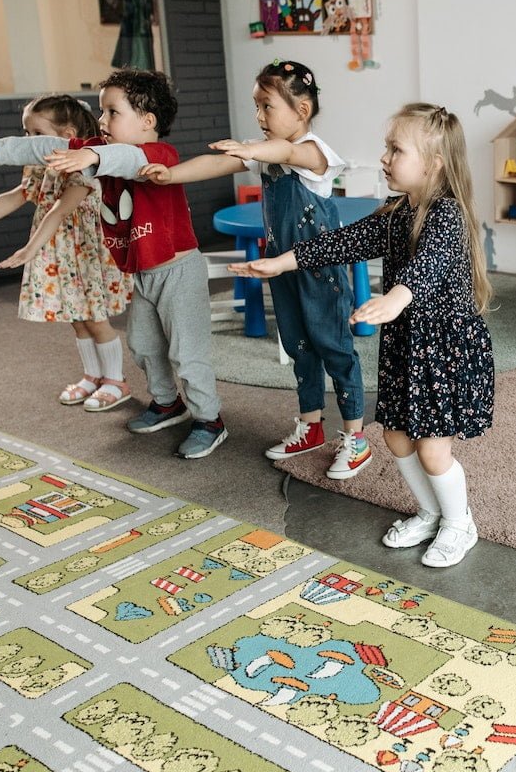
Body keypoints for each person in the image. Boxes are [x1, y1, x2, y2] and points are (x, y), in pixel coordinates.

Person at [230, 103, 493, 567]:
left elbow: (427, 266)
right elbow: (340, 242)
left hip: (443, 350)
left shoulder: (447, 215)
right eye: (386, 148)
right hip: (406, 346)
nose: (385, 157)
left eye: (396, 149)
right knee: (394, 437)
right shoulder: (394, 212)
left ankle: (459, 523)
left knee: (433, 450)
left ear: (433, 164)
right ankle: (430, 512)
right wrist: (279, 262)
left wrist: (394, 299)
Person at [0, 69, 229, 459]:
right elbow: (47, 148)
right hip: (143, 274)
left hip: (178, 272)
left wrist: (92, 154)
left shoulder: (157, 155)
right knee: (144, 346)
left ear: (147, 121)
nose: (102, 121)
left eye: (112, 112)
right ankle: (168, 404)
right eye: (102, 112)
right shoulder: (98, 152)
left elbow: (128, 157)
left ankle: (209, 420)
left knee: (186, 351)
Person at [139, 60, 370, 479]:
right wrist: (170, 175)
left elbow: (286, 152)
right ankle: (311, 426)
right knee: (299, 347)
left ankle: (355, 436)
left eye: (267, 106)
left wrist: (250, 149)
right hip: (280, 269)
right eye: (256, 107)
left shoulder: (315, 151)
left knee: (334, 347)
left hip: (320, 272)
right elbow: (216, 164)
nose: (259, 117)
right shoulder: (264, 154)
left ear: (301, 110)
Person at [0, 95, 133, 411]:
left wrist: (31, 247)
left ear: (66, 135)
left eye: (36, 134)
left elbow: (60, 210)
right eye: (26, 134)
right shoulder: (40, 167)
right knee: (75, 318)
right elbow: (18, 195)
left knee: (95, 318)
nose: (28, 142)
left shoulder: (85, 167)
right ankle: (92, 376)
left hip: (85, 253)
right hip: (60, 253)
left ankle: (116, 381)